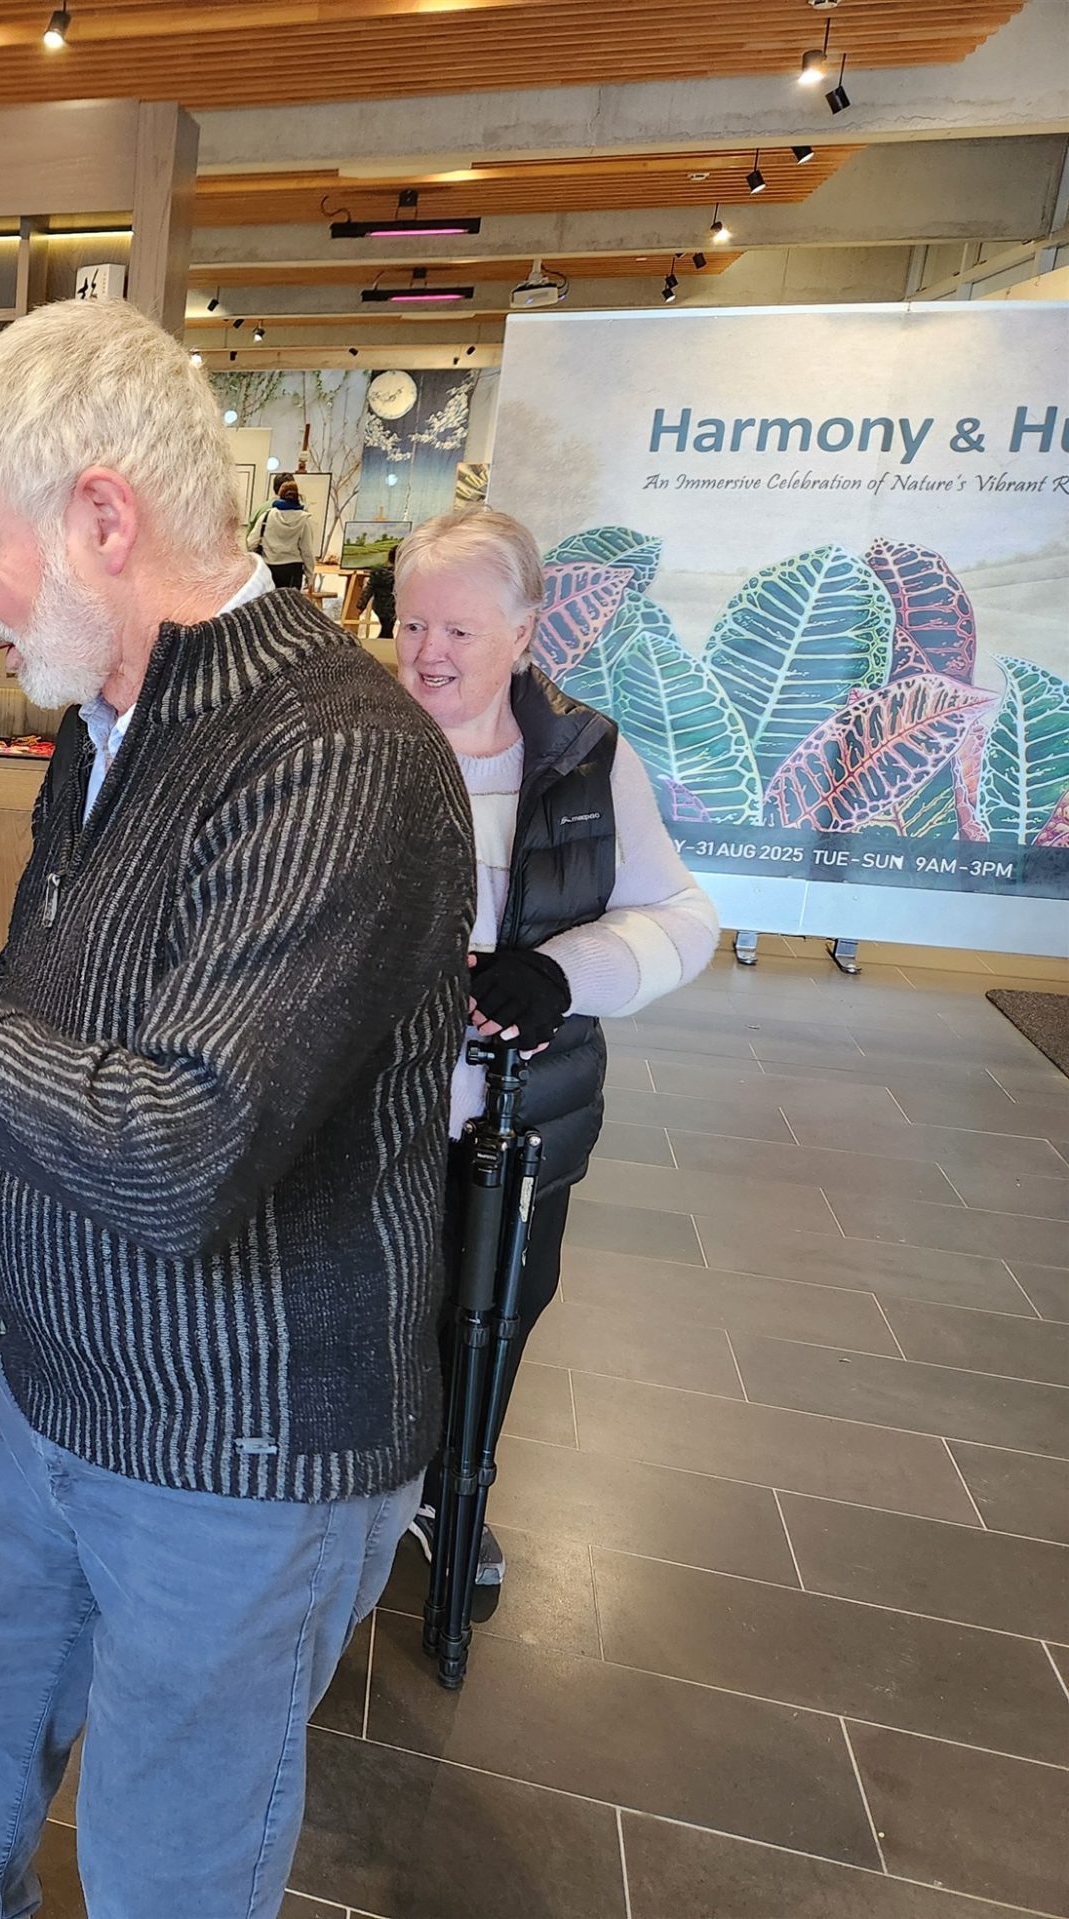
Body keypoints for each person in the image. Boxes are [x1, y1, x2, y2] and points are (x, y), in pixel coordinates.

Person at [0, 300, 474, 1919]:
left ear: (103, 517)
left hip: (234, 1442)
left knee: (162, 1848)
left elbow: (185, 1142)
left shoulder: (336, 756)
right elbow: (61, 983)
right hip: (60, 1385)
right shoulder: (109, 719)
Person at [389, 507, 717, 1593]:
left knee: (496, 1310)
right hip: (368, 1118)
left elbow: (682, 917)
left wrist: (563, 972)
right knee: (371, 1315)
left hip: (520, 1121)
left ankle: (451, 1489)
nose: (429, 653)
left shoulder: (586, 760)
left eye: (461, 631)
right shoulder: (350, 744)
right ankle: (358, 1496)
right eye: (412, 624)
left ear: (526, 632)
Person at [251, 473, 319, 591]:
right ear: (297, 496)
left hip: (269, 567)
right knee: (289, 601)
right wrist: (310, 576)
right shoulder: (304, 520)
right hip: (293, 569)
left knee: (270, 600)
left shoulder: (267, 515)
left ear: (280, 495)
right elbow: (306, 551)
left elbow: (252, 541)